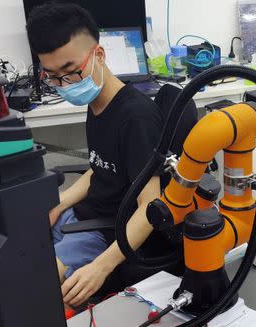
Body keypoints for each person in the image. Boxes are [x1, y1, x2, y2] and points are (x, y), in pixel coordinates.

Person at [26, 3, 176, 308]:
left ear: (100, 55)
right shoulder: (96, 104)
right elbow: (99, 169)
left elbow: (150, 206)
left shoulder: (136, 118)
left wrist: (102, 266)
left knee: (34, 285)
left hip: (108, 231)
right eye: (52, 77)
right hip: (83, 214)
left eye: (70, 72)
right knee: (20, 248)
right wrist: (59, 204)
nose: (64, 85)